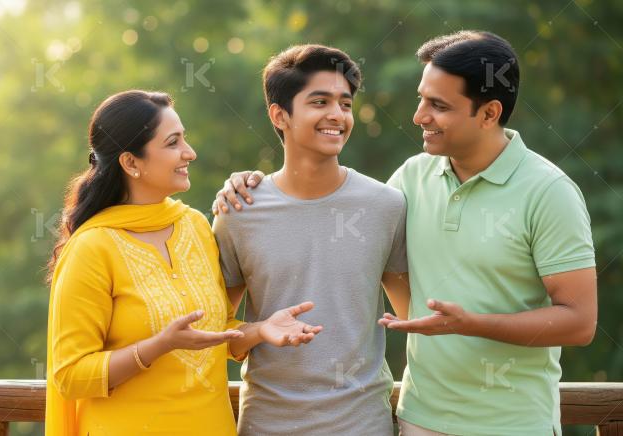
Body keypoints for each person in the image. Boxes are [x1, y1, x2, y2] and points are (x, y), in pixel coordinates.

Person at [215, 31, 597, 436]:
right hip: (417, 419)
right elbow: (218, 331)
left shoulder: (546, 191)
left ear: (489, 114)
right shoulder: (408, 183)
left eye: (438, 105)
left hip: (510, 424)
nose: (419, 116)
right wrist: (245, 185)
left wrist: (470, 323)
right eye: (422, 99)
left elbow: (579, 322)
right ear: (279, 115)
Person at [45, 90, 323, 436]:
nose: (189, 153)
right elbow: (70, 376)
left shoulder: (194, 226)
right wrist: (158, 345)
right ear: (131, 163)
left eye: (184, 139)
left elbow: (214, 335)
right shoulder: (92, 248)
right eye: (173, 143)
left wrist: (259, 330)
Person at [212, 45, 410, 435]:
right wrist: (261, 328)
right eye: (319, 102)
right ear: (279, 115)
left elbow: (413, 319)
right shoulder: (239, 211)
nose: (337, 115)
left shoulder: (386, 205)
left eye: (345, 104)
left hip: (363, 426)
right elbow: (222, 337)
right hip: (267, 426)